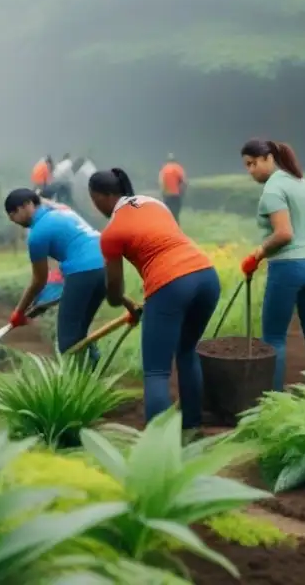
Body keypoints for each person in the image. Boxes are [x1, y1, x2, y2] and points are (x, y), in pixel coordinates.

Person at [88, 167, 220, 433]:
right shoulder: (155, 203)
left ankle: (156, 444)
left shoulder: (112, 232)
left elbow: (114, 287)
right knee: (186, 351)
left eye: (94, 199)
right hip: (206, 276)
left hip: (170, 283)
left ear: (103, 196)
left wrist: (121, 302)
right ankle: (192, 425)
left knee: (156, 371)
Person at [239, 139, 305, 391]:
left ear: (269, 158)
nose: (250, 170)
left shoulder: (273, 190)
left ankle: (274, 403)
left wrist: (257, 254)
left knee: (273, 338)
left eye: (253, 163)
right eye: (247, 166)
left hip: (289, 268)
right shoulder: (302, 183)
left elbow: (284, 234)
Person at [3, 188, 106, 363]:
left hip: (83, 271)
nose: (12, 219)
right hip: (108, 266)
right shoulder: (63, 211)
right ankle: (95, 375)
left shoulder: (37, 234)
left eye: (14, 212)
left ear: (28, 205)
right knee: (79, 333)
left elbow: (39, 280)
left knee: (68, 342)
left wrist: (18, 312)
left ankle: (81, 385)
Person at [159, 154, 187, 223]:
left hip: (167, 195)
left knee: (168, 214)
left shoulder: (164, 169)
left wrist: (162, 193)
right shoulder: (179, 168)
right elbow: (184, 182)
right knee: (176, 214)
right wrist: (183, 193)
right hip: (176, 195)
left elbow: (161, 183)